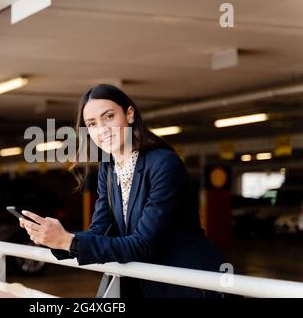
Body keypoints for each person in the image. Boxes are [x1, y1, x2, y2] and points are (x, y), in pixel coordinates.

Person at [19, 84, 227, 298]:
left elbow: (142, 243)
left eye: (109, 117)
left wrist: (68, 241)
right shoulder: (107, 170)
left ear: (129, 115)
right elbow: (99, 230)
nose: (102, 130)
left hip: (183, 285)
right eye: (92, 124)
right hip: (139, 283)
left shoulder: (163, 163)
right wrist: (55, 237)